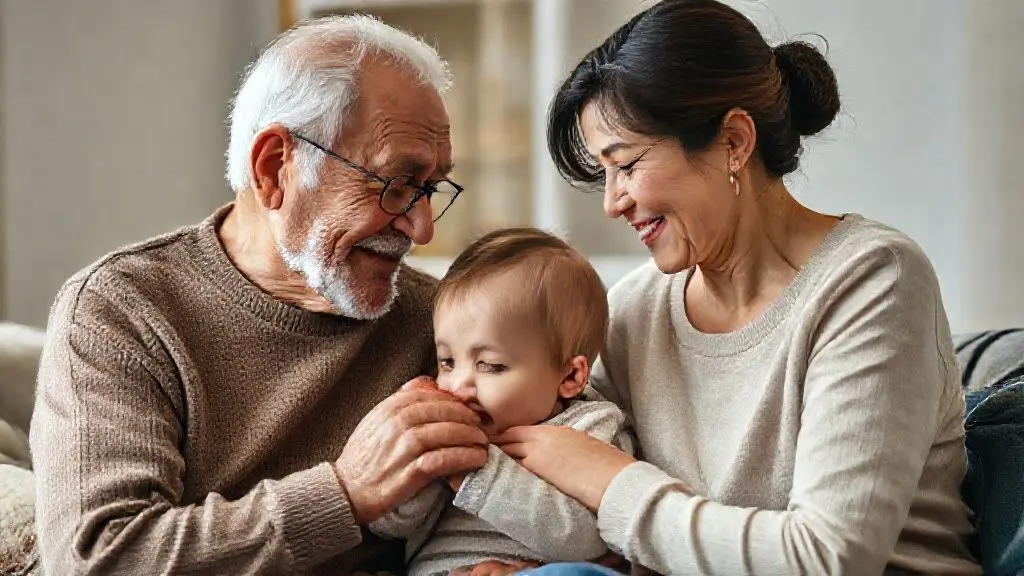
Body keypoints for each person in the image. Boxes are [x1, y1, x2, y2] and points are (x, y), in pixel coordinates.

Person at [495, 0, 983, 574]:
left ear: (733, 141)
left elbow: (828, 559)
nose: (612, 203)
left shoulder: (874, 281)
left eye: (625, 165)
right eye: (603, 174)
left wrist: (608, 480)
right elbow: (584, 507)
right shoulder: (632, 311)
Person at [30, 15, 491, 575]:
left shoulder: (444, 322)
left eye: (431, 189)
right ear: (274, 168)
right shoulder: (123, 312)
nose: (423, 229)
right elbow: (99, 559)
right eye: (396, 185)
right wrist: (345, 494)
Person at [368, 228, 634, 575]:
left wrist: (477, 473)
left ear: (569, 377)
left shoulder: (591, 427)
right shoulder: (446, 426)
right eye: (447, 362)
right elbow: (388, 526)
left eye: (491, 366)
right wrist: (420, 466)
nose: (458, 384)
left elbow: (588, 540)